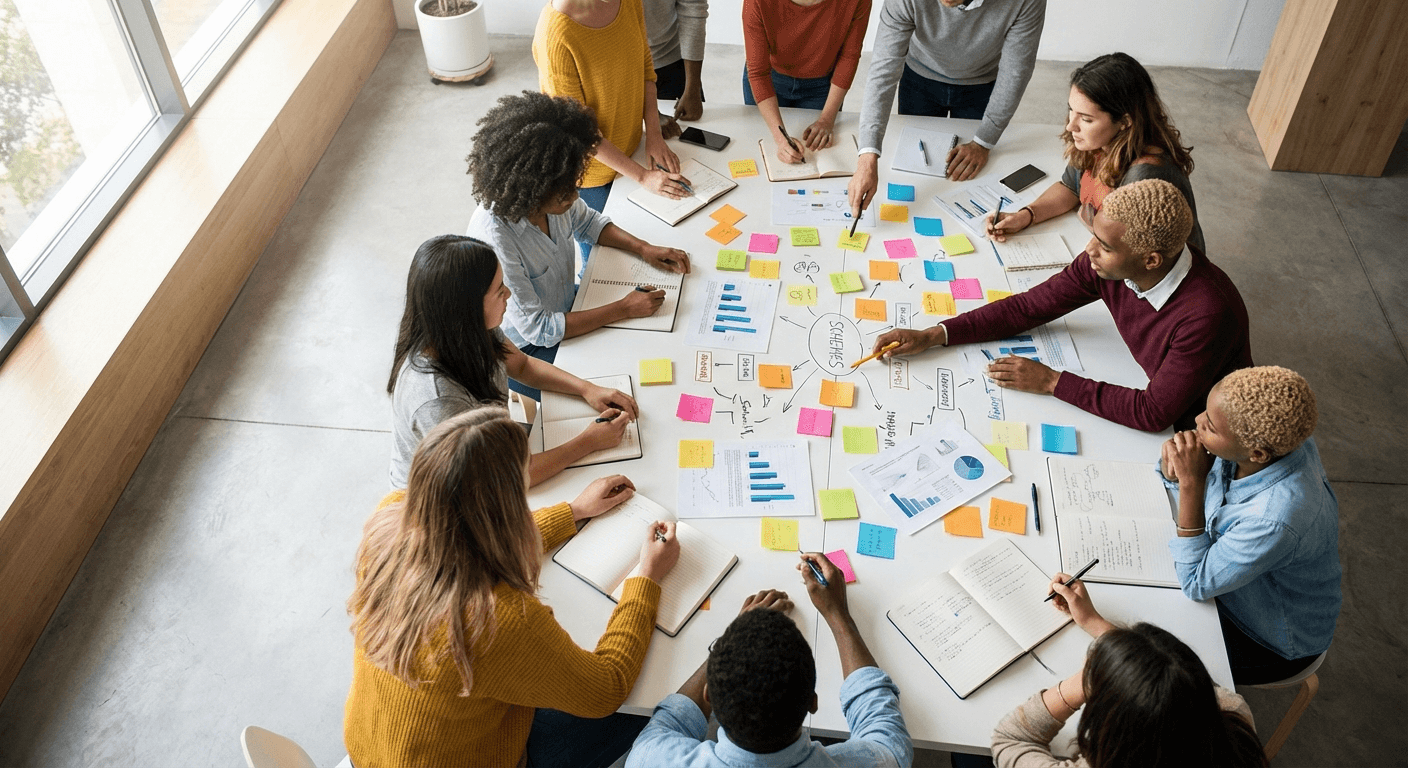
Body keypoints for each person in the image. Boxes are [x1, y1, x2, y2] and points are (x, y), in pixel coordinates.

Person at [346, 407, 681, 768]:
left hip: (371, 745)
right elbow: (605, 690)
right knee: (650, 703)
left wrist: (572, 511)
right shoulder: (497, 620)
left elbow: (462, 536)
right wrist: (645, 579)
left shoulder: (390, 518)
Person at [873, 179, 1250, 432]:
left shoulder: (1208, 314)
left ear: (1150, 260)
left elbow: (1154, 413)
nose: (1088, 252)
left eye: (1105, 246)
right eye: (1093, 236)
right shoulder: (1102, 264)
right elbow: (1027, 308)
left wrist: (1051, 381)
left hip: (1204, 426)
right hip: (1139, 378)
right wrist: (933, 335)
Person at [466, 91, 691, 397]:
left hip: (568, 304)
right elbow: (540, 329)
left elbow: (588, 223)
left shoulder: (555, 190)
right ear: (532, 189)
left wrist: (643, 248)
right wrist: (623, 308)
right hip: (530, 351)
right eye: (564, 193)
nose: (574, 197)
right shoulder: (496, 239)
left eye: (575, 185)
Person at [388, 235, 639, 489]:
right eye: (499, 291)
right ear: (468, 308)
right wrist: (588, 442)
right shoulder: (438, 400)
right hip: (454, 498)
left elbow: (522, 366)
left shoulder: (471, 329)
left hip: (495, 449)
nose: (508, 293)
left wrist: (587, 389)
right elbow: (505, 477)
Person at [627, 554, 913, 767]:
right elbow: (884, 730)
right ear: (813, 701)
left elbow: (671, 720)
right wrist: (838, 614)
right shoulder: (874, 762)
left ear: (709, 696)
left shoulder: (651, 758)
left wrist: (734, 635)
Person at [1160, 366, 1341, 684]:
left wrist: (1190, 483)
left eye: (1211, 427)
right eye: (1205, 410)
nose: (1198, 422)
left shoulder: (1275, 519)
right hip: (1242, 589)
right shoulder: (1267, 444)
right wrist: (1175, 470)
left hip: (1271, 642)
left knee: (1150, 664)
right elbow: (1205, 487)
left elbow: (1194, 582)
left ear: (1257, 453)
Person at [991, 576, 1266, 767]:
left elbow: (1010, 740)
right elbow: (1166, 678)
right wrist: (1094, 623)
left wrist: (1083, 683)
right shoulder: (1233, 716)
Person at [986, 52, 1205, 253]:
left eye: (1086, 119)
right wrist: (1025, 216)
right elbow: (1070, 188)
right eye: (1071, 110)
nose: (1071, 126)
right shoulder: (1099, 143)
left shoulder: (1146, 177)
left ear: (1125, 122)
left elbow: (1130, 256)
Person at [848, 0, 1046, 216]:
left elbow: (1015, 72)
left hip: (982, 82)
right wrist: (867, 156)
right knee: (917, 169)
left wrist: (983, 142)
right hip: (918, 77)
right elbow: (882, 71)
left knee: (967, 179)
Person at [533, 0, 692, 226]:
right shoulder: (555, 33)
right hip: (592, 176)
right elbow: (579, 132)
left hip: (634, 150)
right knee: (607, 256)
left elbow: (646, 67)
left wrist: (654, 135)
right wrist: (643, 176)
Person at [742, 0, 871, 165]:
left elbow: (849, 56)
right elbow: (758, 72)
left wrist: (827, 119)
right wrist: (781, 139)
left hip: (823, 86)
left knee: (817, 156)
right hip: (769, 80)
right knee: (760, 153)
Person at [644, 0, 708, 126]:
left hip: (673, 63)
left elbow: (693, 9)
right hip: (622, 69)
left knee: (692, 130)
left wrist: (692, 87)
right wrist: (651, 112)